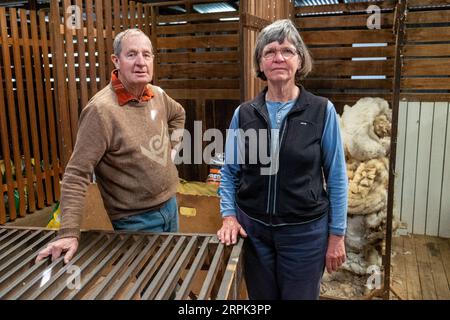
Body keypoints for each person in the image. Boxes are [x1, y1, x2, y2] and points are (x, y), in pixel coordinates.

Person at [217, 19, 348, 300]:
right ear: (260, 64)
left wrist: (337, 235)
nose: (278, 57)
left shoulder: (321, 111)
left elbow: (336, 176)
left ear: (299, 61)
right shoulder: (245, 114)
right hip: (254, 234)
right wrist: (228, 216)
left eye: (287, 50)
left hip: (305, 235)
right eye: (270, 52)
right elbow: (229, 172)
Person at [36, 29, 185, 264]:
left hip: (170, 205)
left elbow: (179, 115)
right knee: (154, 283)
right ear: (116, 60)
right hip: (136, 220)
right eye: (132, 54)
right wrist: (68, 233)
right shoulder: (101, 111)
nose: (140, 62)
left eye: (147, 55)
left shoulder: (157, 95)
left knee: (172, 270)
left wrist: (173, 147)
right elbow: (76, 174)